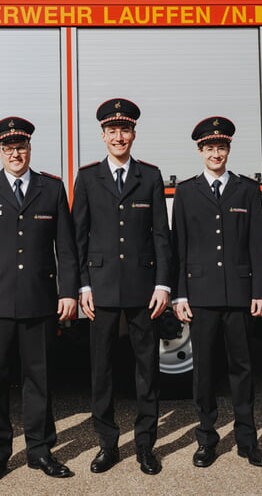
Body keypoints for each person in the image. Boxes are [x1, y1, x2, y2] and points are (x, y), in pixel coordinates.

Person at [0, 117, 79, 483]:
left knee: (39, 381)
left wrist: (68, 291)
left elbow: (67, 248)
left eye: (21, 146)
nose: (16, 153)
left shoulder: (51, 188)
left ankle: (40, 451)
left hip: (39, 301)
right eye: (8, 148)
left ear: (30, 149)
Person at [71, 98, 171, 475]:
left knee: (147, 369)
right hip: (101, 290)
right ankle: (107, 444)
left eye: (124, 129)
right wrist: (82, 285)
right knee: (103, 370)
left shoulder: (150, 175)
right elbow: (77, 238)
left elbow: (161, 234)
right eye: (111, 130)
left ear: (133, 134)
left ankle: (145, 445)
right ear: (102, 135)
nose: (118, 136)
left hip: (144, 290)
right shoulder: (87, 178)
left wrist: (163, 284)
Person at [172, 116, 262, 468]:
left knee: (242, 368)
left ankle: (248, 441)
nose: (216, 153)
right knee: (204, 371)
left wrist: (261, 290)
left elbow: (257, 245)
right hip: (200, 296)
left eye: (222, 147)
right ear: (200, 151)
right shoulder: (186, 191)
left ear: (228, 149)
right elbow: (179, 247)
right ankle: (206, 440)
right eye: (210, 148)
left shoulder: (246, 190)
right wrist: (180, 295)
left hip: (239, 295)